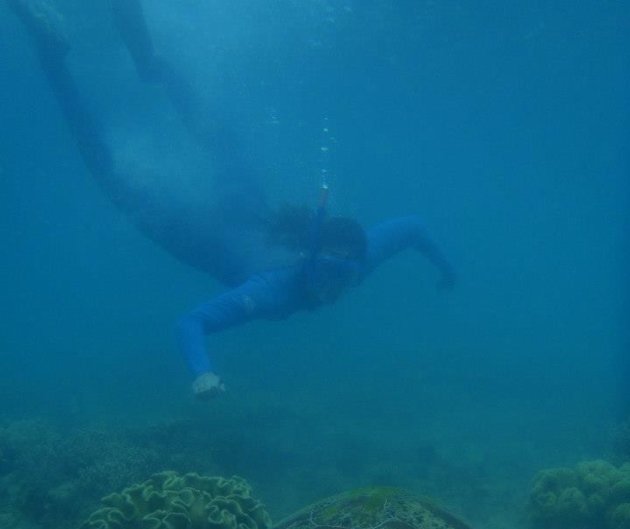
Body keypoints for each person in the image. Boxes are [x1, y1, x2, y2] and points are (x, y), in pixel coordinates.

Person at [8, 0, 456, 400]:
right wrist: (202, 373)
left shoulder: (356, 259)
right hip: (191, 231)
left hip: (244, 210)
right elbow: (191, 322)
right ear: (308, 255)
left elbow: (412, 227)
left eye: (347, 278)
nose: (334, 292)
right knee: (110, 172)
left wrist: (445, 266)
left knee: (224, 142)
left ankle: (150, 64)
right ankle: (57, 56)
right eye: (330, 276)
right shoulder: (272, 292)